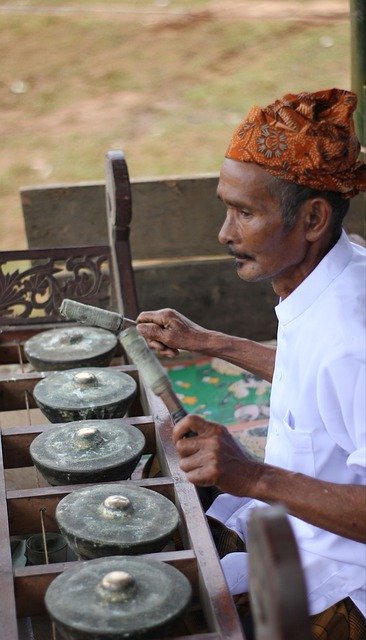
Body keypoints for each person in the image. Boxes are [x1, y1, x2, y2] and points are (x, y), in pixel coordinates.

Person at [136, 88, 366, 639]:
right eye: (226, 207)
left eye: (245, 212)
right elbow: (312, 380)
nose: (224, 233)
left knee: (154, 611)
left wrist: (252, 474)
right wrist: (208, 340)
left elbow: (341, 365)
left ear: (312, 218)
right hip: (290, 529)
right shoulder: (330, 276)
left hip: (340, 582)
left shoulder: (351, 337)